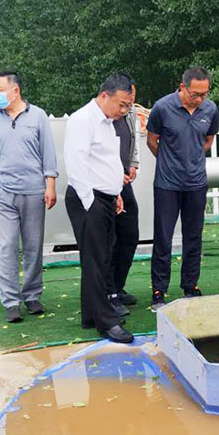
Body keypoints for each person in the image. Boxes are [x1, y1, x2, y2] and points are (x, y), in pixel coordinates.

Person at [0, 71, 58, 323]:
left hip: (33, 191)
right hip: (3, 192)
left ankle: (32, 296)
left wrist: (50, 185)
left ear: (15, 91)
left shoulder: (38, 116)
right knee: (6, 247)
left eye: (0, 89)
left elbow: (48, 153)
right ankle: (11, 301)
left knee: (33, 246)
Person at [64, 74, 135, 344]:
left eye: (128, 105)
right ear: (105, 95)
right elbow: (76, 162)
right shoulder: (83, 120)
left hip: (105, 197)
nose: (124, 110)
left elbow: (107, 160)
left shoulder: (107, 122)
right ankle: (107, 322)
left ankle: (91, 315)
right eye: (122, 104)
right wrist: (91, 202)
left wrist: (115, 193)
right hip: (88, 199)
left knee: (102, 258)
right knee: (96, 261)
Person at [146, 67, 219, 309]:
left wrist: (193, 158)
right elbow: (152, 140)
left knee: (193, 236)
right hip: (167, 184)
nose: (199, 99)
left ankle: (190, 286)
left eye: (204, 94)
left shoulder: (210, 109)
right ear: (182, 87)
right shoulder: (162, 108)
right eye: (195, 94)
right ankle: (159, 290)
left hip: (196, 183)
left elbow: (208, 140)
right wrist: (170, 160)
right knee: (163, 237)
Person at [108, 77, 141, 311]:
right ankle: (108, 292)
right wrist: (114, 173)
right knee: (109, 239)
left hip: (124, 181)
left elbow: (132, 140)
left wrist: (132, 163)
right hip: (104, 183)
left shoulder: (129, 114)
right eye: (125, 102)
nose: (128, 106)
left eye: (132, 101)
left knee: (130, 234)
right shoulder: (101, 117)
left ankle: (118, 286)